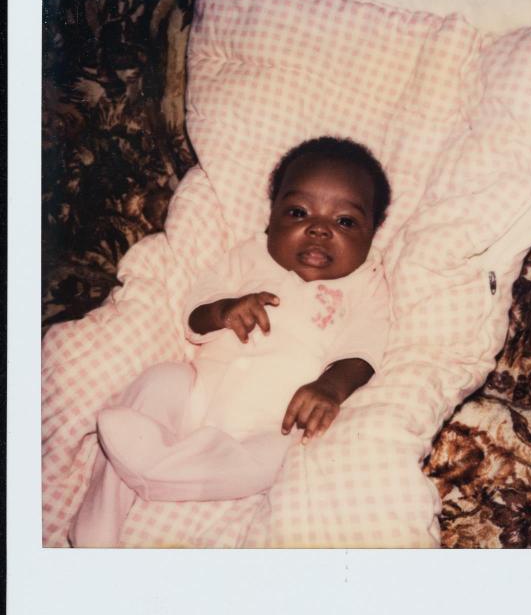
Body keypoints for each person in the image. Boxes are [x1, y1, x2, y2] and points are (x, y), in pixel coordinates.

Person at [69, 136, 392, 546]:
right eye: (297, 212)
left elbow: (363, 351)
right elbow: (194, 315)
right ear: (270, 219)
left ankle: (158, 473)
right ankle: (97, 522)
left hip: (272, 422)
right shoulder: (248, 256)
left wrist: (329, 387)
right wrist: (223, 310)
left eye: (345, 221)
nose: (319, 228)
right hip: (199, 394)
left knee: (280, 459)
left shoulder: (366, 285)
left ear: (371, 235)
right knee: (161, 380)